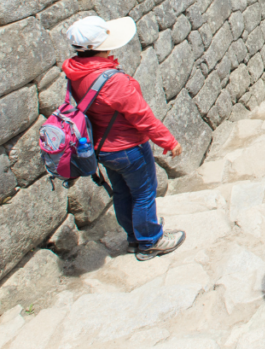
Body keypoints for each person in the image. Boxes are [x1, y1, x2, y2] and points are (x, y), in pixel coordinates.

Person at [64, 16, 185, 261]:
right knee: (143, 193)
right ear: (102, 47)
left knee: (121, 193)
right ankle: (151, 241)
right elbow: (141, 116)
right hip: (128, 147)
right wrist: (168, 141)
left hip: (102, 149)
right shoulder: (113, 80)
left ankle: (134, 238)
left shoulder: (75, 72)